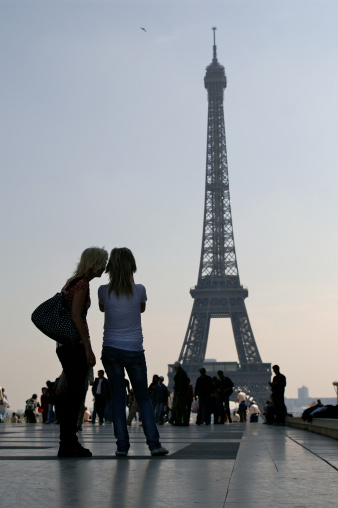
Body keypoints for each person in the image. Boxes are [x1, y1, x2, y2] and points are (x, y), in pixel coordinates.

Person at [99, 247, 168, 456]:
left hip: (110, 349)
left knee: (118, 399)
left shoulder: (103, 290)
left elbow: (103, 308)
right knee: (143, 399)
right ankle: (154, 445)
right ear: (132, 266)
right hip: (134, 350)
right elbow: (141, 308)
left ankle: (122, 447)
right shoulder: (139, 290)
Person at [56, 246, 108, 458]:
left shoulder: (71, 282)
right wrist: (88, 348)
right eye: (103, 262)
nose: (105, 267)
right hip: (73, 344)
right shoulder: (83, 284)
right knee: (75, 397)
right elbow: (77, 317)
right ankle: (68, 443)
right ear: (94, 263)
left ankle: (67, 442)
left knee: (73, 396)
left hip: (63, 344)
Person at [173, 362, 190, 426]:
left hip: (181, 392)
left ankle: (184, 421)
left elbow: (180, 383)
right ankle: (179, 421)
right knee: (178, 406)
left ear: (176, 367)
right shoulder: (182, 372)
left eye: (174, 367)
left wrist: (178, 390)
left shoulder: (180, 373)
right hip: (181, 392)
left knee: (181, 407)